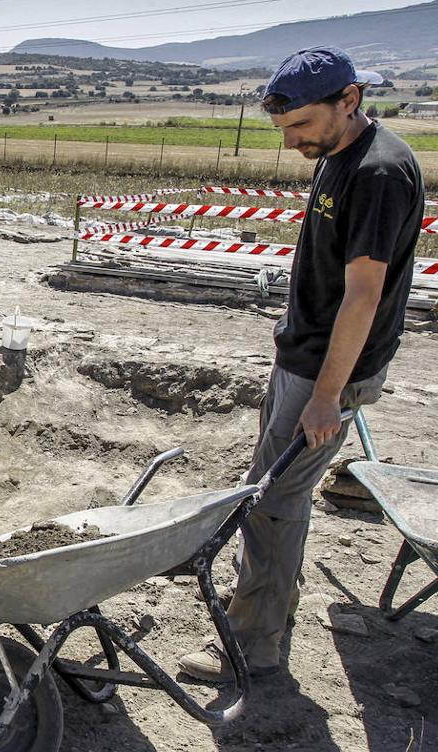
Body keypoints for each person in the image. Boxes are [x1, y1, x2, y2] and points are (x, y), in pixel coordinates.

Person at [178, 47, 424, 682]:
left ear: (350, 101)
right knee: (272, 490)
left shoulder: (377, 174)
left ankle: (252, 644)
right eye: (283, 130)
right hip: (308, 359)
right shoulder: (338, 154)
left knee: (273, 500)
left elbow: (365, 294)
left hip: (326, 374)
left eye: (301, 127)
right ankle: (269, 611)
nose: (291, 142)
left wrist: (326, 395)